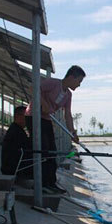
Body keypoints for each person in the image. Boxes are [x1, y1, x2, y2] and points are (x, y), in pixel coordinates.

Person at [25, 65, 85, 194]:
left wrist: (72, 132)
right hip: (34, 117)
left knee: (52, 151)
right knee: (43, 150)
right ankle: (41, 183)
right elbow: (33, 88)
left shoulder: (68, 95)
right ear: (71, 77)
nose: (79, 85)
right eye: (79, 81)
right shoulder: (53, 83)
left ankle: (50, 183)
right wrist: (44, 104)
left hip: (46, 120)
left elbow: (67, 114)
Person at [1, 106, 32, 178]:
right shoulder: (16, 132)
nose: (28, 119)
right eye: (26, 116)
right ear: (18, 116)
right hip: (13, 170)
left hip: (12, 169)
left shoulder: (17, 129)